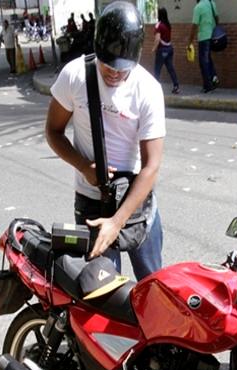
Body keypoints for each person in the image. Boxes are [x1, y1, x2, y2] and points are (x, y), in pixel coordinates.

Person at [45, 1, 165, 281]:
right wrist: (84, 166)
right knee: (102, 293)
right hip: (92, 201)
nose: (113, 73)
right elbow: (53, 131)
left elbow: (151, 167)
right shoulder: (74, 76)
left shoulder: (148, 90)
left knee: (154, 288)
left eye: (122, 69)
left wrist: (117, 222)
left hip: (135, 203)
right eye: (107, 64)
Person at [188, 0, 219, 93]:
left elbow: (194, 25)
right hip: (212, 36)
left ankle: (208, 86)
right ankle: (214, 78)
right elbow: (217, 18)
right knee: (208, 60)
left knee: (203, 62)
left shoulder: (198, 7)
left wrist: (190, 41)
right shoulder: (211, 3)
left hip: (203, 38)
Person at [152, 7, 180, 95]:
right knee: (171, 68)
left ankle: (154, 89)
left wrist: (154, 48)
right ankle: (176, 86)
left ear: (159, 14)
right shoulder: (168, 25)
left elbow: (157, 38)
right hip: (170, 49)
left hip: (162, 50)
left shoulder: (159, 25)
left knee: (157, 70)